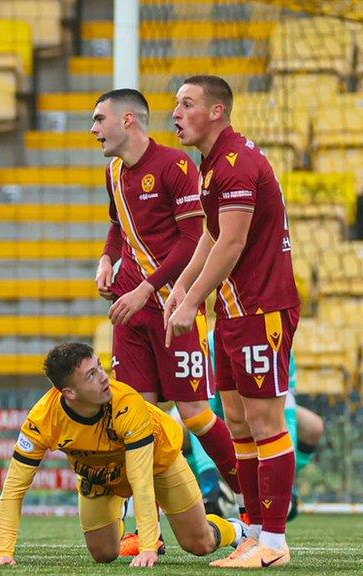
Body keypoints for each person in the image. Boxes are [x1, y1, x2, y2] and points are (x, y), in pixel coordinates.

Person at [90, 89, 241, 555]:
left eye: (99, 120)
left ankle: (252, 500)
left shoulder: (176, 167)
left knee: (196, 416)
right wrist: (107, 259)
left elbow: (194, 239)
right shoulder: (114, 171)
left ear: (128, 120)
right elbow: (118, 226)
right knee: (135, 418)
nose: (94, 129)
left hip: (174, 310)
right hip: (131, 315)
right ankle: (142, 527)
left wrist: (144, 287)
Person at [166, 75, 301, 569]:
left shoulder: (236, 163)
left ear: (217, 111)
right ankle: (252, 531)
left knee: (266, 423)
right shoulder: (212, 164)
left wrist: (189, 303)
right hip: (234, 310)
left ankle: (275, 542)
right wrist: (183, 284)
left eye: (187, 104)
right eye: (176, 104)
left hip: (261, 307)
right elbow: (211, 232)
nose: (176, 113)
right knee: (239, 424)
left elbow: (233, 243)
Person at [0, 342, 246, 569]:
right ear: (69, 393)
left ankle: (236, 529)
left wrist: (148, 546)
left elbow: (141, 481)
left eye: (100, 367)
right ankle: (114, 519)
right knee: (103, 554)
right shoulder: (41, 419)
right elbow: (14, 489)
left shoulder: (127, 403)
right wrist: (4, 552)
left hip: (158, 462)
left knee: (200, 544)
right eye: (91, 375)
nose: (104, 377)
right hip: (98, 474)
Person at [186, 334, 324, 522]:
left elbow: (285, 413)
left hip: (257, 414)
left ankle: (275, 481)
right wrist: (208, 477)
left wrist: (285, 486)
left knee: (312, 426)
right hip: (219, 414)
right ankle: (211, 483)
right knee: (185, 421)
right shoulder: (213, 345)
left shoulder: (281, 345)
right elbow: (204, 407)